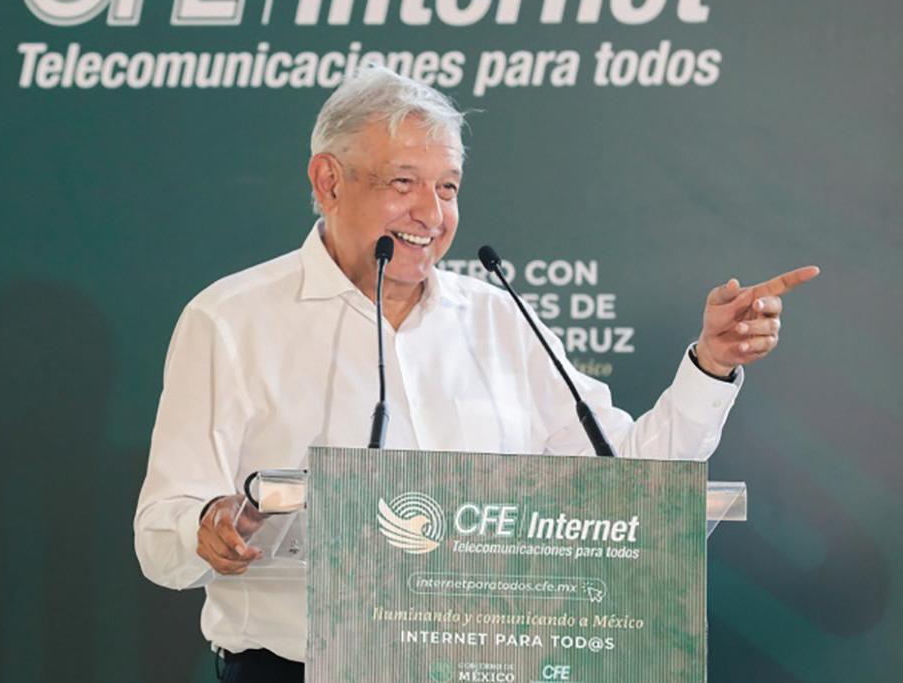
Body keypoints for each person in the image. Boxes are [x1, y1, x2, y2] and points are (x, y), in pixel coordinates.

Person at [133, 67, 818, 681]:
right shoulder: (231, 321)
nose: (431, 215)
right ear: (328, 180)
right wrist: (207, 528)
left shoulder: (500, 320)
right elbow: (160, 535)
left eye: (448, 188)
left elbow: (630, 484)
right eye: (403, 183)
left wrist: (711, 364)